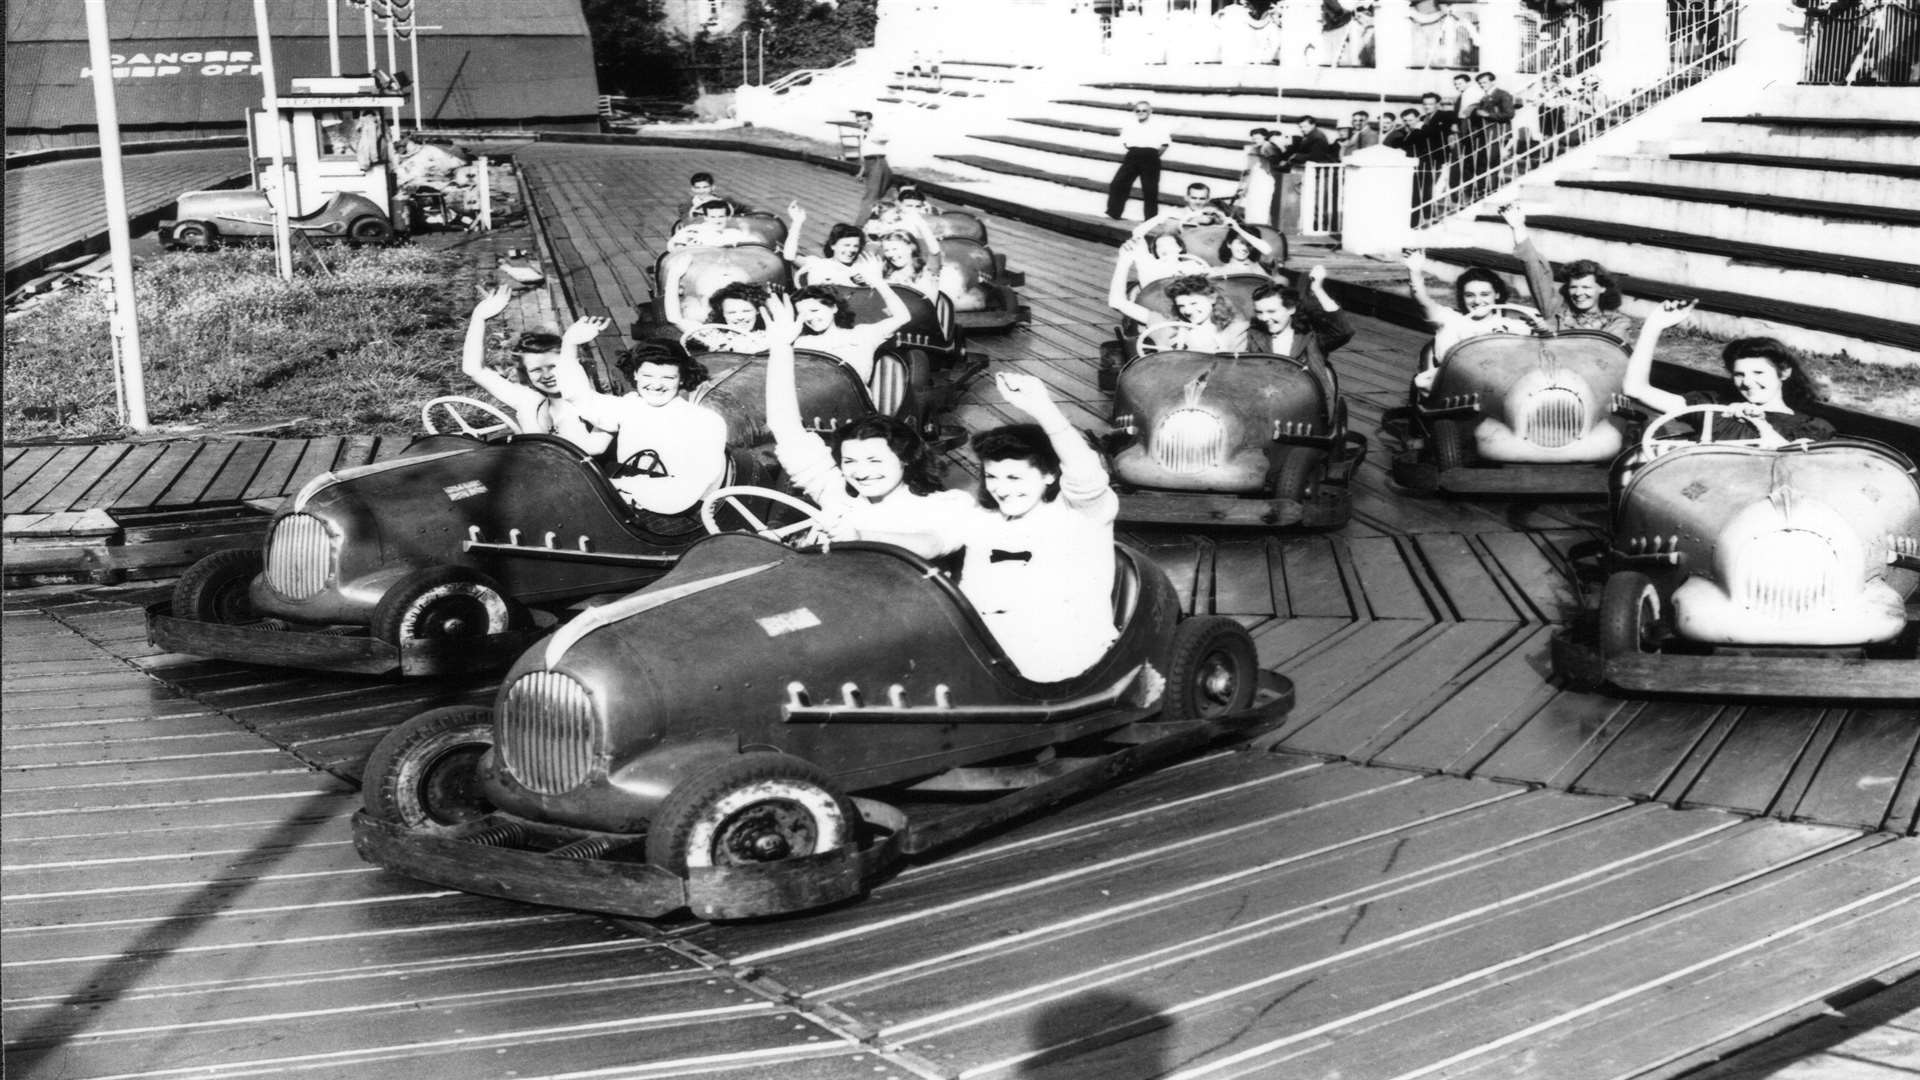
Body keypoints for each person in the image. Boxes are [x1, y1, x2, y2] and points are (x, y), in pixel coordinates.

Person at [759, 294, 975, 558]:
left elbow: (933, 544)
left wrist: (860, 537)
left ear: (906, 458)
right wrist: (781, 347)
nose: (861, 472)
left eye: (874, 460)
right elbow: (784, 426)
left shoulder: (947, 504)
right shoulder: (838, 495)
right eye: (849, 461)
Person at [956, 373, 1122, 682]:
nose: (1001, 490)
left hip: (1064, 648)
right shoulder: (985, 521)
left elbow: (1086, 473)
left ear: (1049, 475)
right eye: (993, 477)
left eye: (1015, 478)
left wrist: (1043, 408)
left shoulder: (1080, 514)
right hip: (995, 641)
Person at [552, 336, 729, 522]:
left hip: (674, 512)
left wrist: (619, 486)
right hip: (625, 497)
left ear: (682, 378)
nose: (656, 384)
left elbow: (687, 488)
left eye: (668, 377)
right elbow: (579, 396)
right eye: (647, 375)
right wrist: (570, 343)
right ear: (635, 374)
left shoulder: (705, 421)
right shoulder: (631, 405)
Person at [1623, 301, 1835, 446]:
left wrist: (1759, 423)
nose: (1748, 382)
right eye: (1739, 374)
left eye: (1759, 372)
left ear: (1784, 373)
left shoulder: (1809, 427)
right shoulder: (1713, 409)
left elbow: (1789, 461)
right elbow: (1635, 389)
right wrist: (1653, 326)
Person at [459, 285, 612, 455]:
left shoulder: (595, 406)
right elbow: (474, 370)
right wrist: (479, 318)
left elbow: (594, 449)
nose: (547, 375)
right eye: (536, 370)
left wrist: (570, 344)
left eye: (554, 367)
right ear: (526, 374)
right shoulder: (530, 400)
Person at [1403, 250, 1537, 394]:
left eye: (1484, 294)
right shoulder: (1451, 320)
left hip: (1500, 389)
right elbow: (1422, 302)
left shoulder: (1513, 326)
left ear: (1497, 295)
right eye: (1470, 295)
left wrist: (1539, 327)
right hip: (1457, 389)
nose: (1477, 301)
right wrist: (1414, 271)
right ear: (1462, 297)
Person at [1500, 202, 1634, 340]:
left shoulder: (1618, 323)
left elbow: (1606, 351)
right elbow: (1536, 273)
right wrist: (1518, 227)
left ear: (1602, 288)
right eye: (1573, 287)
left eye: (1586, 287)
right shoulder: (1557, 312)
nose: (1578, 293)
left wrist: (1550, 329)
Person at [791, 255, 914, 383]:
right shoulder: (803, 342)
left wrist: (878, 282)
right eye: (802, 314)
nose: (810, 318)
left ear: (833, 308)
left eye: (814, 310)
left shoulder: (862, 334)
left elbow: (903, 317)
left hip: (854, 400)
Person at [1247, 265, 1355, 395]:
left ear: (1291, 309)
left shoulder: (1309, 338)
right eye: (1259, 312)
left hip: (1302, 402)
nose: (1264, 318)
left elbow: (1343, 331)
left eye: (1271, 311)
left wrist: (1317, 289)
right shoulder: (1253, 336)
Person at [1109, 262, 1250, 353]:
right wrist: (1124, 262)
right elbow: (1117, 302)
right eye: (1181, 305)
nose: (1187, 310)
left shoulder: (1235, 328)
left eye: (1194, 303)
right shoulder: (1167, 325)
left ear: (1212, 298)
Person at [1107, 100, 1175, 221]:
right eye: (1138, 110)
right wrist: (1135, 151)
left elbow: (1164, 144)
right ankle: (1114, 213)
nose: (1141, 113)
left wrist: (1152, 155)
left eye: (1144, 110)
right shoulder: (1130, 125)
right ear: (1134, 112)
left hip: (1150, 156)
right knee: (1118, 183)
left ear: (1150, 111)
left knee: (1150, 189)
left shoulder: (1159, 126)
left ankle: (1150, 219)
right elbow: (1125, 143)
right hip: (1133, 155)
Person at [784, 202, 867, 287]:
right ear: (833, 245)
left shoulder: (862, 268)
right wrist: (797, 222)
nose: (851, 250)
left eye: (855, 246)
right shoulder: (819, 264)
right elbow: (790, 256)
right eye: (846, 245)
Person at [678, 280, 772, 353]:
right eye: (732, 312)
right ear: (723, 314)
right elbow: (674, 318)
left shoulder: (768, 336)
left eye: (746, 311)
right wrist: (674, 275)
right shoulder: (713, 336)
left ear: (757, 311)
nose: (740, 317)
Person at [874, 211, 945, 299]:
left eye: (894, 249)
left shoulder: (926, 271)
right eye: (887, 250)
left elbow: (934, 250)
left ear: (910, 248)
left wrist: (920, 223)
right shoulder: (887, 273)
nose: (891, 254)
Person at [1131, 182, 1232, 238]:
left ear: (1208, 199)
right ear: (1186, 198)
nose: (1197, 202)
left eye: (1202, 199)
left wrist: (1217, 217)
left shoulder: (1212, 213)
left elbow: (1227, 226)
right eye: (1194, 198)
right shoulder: (1173, 212)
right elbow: (1140, 229)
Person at [853, 110, 895, 228]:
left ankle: (858, 226)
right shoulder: (862, 133)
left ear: (870, 120)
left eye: (864, 120)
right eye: (858, 121)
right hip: (869, 163)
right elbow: (865, 154)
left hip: (878, 162)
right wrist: (862, 172)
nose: (861, 123)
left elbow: (885, 139)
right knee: (876, 195)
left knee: (870, 197)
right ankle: (873, 221)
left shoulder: (877, 131)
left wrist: (876, 138)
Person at [1236, 128, 1281, 228]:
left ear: (1264, 137)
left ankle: (1261, 226)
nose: (1255, 140)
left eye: (1258, 138)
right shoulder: (1253, 149)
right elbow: (1248, 167)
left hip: (1264, 178)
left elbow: (1276, 160)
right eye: (1254, 138)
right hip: (1254, 179)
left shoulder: (1267, 146)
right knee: (1252, 203)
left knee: (1262, 204)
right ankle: (1251, 225)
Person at [1211, 220, 1283, 278]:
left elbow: (1267, 250)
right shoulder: (1217, 272)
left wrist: (1238, 229)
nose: (1244, 248)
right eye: (1241, 243)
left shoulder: (1260, 268)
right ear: (1229, 243)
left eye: (1249, 245)